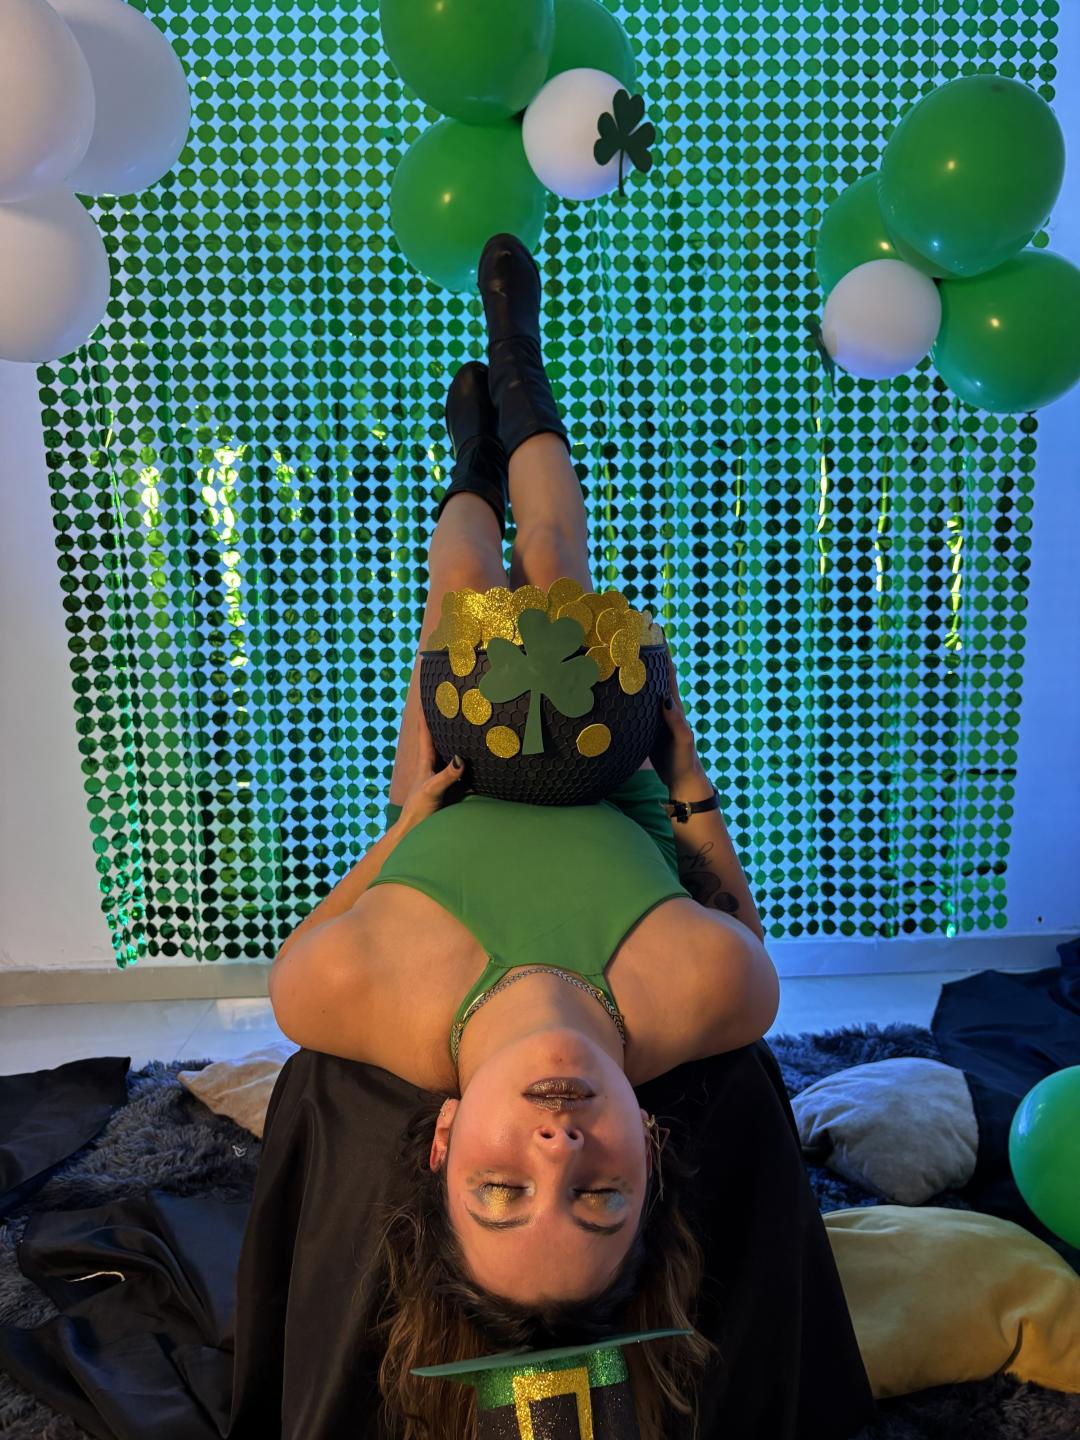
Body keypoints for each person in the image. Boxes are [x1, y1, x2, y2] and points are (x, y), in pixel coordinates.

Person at [244, 233, 877, 1440]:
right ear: (654, 1147)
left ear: (440, 1143)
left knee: (459, 587)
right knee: (558, 561)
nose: (556, 1145)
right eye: (596, 1196)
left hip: (459, 784)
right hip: (603, 776)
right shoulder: (708, 994)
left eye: (502, 1188)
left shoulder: (349, 996)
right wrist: (687, 781)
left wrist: (402, 830)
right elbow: (733, 919)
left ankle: (469, 462)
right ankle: (520, 364)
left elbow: (312, 940)